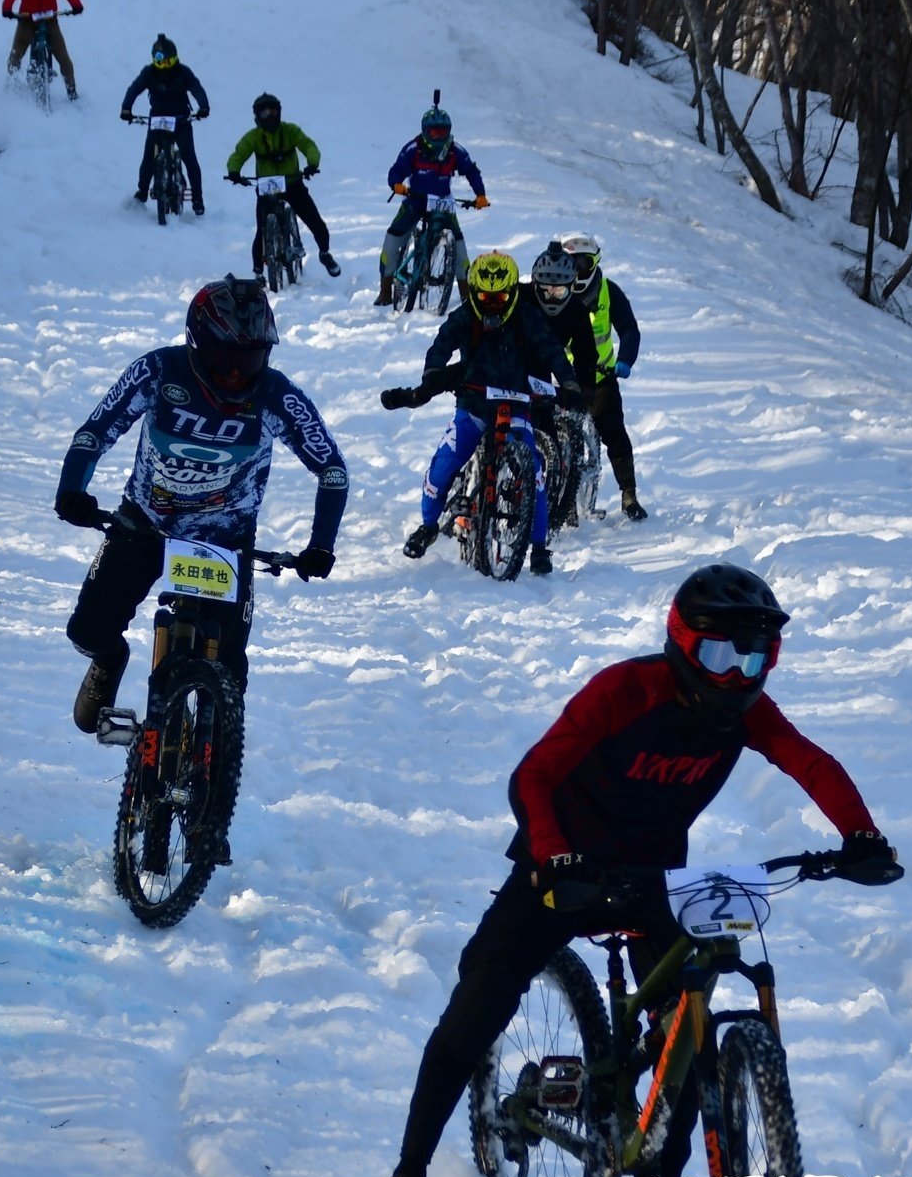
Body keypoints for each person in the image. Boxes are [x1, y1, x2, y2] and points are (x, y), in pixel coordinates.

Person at [361, 563, 900, 1177]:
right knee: (474, 1012)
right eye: (718, 653)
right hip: (559, 870)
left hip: (651, 879)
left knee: (687, 1018)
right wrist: (554, 856)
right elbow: (534, 773)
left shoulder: (748, 714)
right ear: (680, 643)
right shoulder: (627, 690)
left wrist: (861, 837)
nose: (736, 674)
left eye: (754, 655)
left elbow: (809, 761)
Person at [54, 279, 348, 793]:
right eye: (222, 357)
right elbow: (94, 432)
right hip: (144, 524)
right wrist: (72, 491)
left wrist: (322, 543)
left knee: (229, 671)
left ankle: (213, 796)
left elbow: (333, 471)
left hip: (226, 541)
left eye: (251, 358)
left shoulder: (277, 395)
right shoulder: (158, 370)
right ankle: (111, 657)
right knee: (87, 631)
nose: (236, 373)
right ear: (194, 342)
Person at [398, 251, 571, 575]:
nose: (492, 304)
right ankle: (428, 526)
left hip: (517, 404)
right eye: (484, 297)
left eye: (501, 297)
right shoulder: (464, 316)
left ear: (513, 294)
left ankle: (538, 547)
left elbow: (551, 350)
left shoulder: (527, 316)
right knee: (444, 464)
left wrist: (570, 382)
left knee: (534, 471)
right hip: (474, 405)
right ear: (473, 294)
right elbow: (441, 344)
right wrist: (433, 372)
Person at [530, 235, 646, 521]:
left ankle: (628, 492)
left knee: (613, 431)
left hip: (598, 378)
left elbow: (629, 329)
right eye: (573, 264)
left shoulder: (609, 292)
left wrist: (624, 361)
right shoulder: (551, 290)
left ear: (596, 263)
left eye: (586, 263)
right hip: (556, 379)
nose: (579, 270)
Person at [379, 104, 490, 305]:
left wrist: (480, 194)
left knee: (458, 245)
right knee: (393, 238)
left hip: (442, 203)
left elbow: (471, 171)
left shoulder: (455, 151)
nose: (438, 137)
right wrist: (396, 185)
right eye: (433, 132)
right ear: (424, 132)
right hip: (415, 201)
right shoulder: (413, 149)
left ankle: (466, 294)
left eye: (443, 132)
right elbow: (397, 170)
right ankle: (385, 290)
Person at [224, 93, 339, 277]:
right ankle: (258, 271)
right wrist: (234, 171)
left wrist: (312, 164)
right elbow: (239, 154)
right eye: (264, 113)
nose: (270, 116)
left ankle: (325, 254)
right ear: (257, 116)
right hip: (266, 187)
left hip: (292, 183)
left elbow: (308, 146)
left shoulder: (290, 131)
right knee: (262, 230)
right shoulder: (253, 137)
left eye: (273, 111)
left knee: (316, 222)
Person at [120, 35, 208, 214]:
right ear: (155, 60)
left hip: (181, 119)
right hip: (158, 119)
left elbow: (196, 88)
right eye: (161, 63)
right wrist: (126, 108)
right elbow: (134, 89)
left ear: (176, 59)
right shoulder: (149, 72)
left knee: (189, 157)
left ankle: (197, 199)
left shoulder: (183, 72)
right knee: (148, 158)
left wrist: (203, 106)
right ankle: (142, 192)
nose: (165, 67)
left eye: (169, 62)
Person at [1, 0, 82, 99]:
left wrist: (76, 5)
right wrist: (7, 8)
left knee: (63, 58)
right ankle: (11, 84)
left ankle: (71, 90)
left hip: (49, 20)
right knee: (15, 55)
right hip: (26, 20)